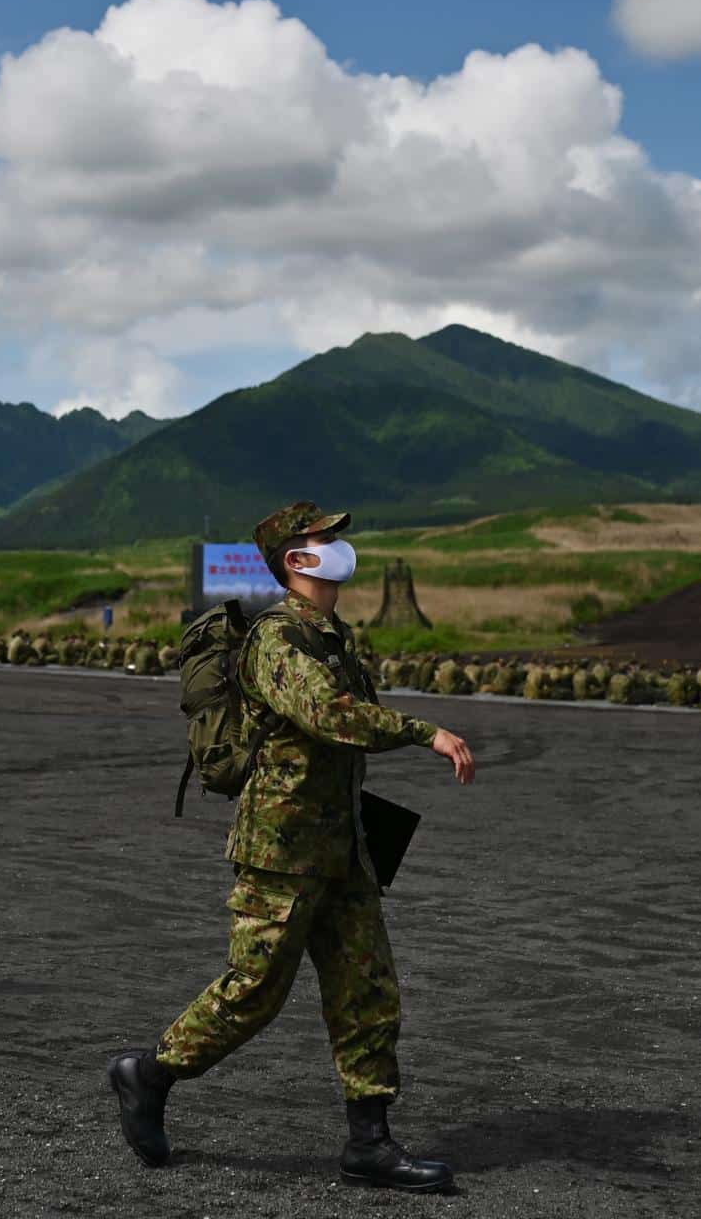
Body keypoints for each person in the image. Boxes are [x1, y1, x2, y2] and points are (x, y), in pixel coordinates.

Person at [108, 501, 477, 1192]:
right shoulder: (280, 641)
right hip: (280, 849)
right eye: (324, 539)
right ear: (296, 561)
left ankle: (370, 1142)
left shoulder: (330, 633)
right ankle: (148, 1074)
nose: (340, 547)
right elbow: (330, 715)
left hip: (342, 845)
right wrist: (424, 730)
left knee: (368, 990)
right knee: (255, 991)